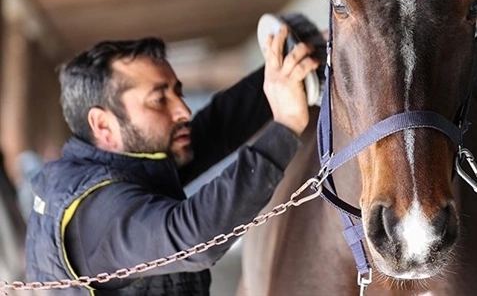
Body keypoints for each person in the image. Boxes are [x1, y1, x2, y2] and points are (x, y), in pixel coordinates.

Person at [24, 24, 318, 295]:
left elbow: (217, 129)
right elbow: (194, 240)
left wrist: (291, 67)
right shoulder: (96, 214)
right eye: (159, 100)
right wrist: (286, 125)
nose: (183, 111)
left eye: (178, 92)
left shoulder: (121, 162)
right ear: (102, 125)